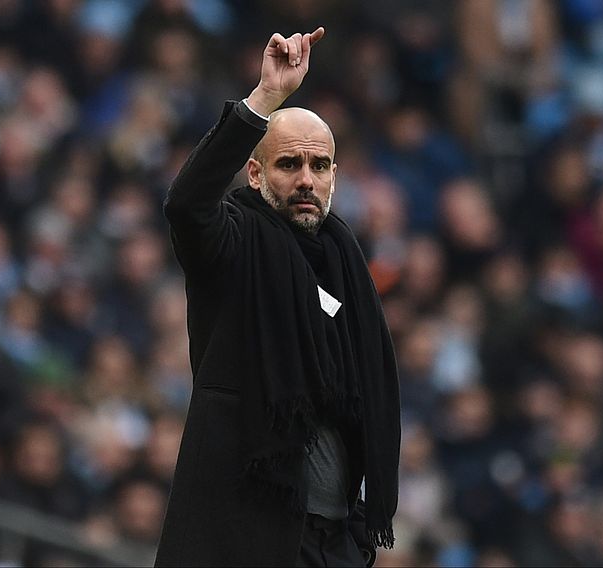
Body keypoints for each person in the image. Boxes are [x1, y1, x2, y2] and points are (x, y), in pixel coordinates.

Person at [154, 28, 401, 567]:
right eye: (289, 164)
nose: (306, 179)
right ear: (256, 172)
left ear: (335, 177)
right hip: (246, 536)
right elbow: (187, 204)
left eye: (320, 165)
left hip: (334, 541)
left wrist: (357, 531)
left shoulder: (345, 262)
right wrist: (265, 98)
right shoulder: (233, 243)